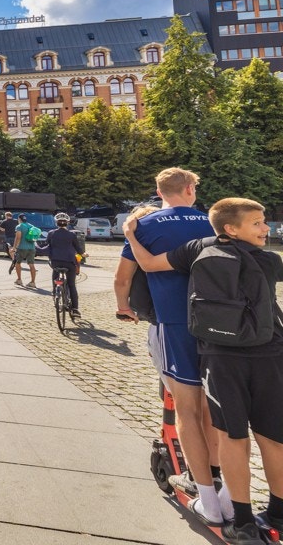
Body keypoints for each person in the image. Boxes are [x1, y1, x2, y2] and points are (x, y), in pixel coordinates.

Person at [124, 197, 283, 543]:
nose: (266, 228)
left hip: (220, 354)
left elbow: (149, 265)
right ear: (231, 227)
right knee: (273, 438)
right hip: (270, 352)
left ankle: (240, 521)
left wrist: (130, 233)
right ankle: (278, 513)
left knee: (231, 436)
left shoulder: (197, 249)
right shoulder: (271, 261)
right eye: (257, 223)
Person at [117, 167, 226, 525]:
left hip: (175, 322)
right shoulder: (213, 222)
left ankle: (200, 485)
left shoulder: (143, 226)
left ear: (159, 191)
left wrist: (124, 308)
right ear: (191, 189)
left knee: (187, 408)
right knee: (214, 407)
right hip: (221, 323)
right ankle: (219, 477)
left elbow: (123, 278)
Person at [37, 213, 85, 318]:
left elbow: (47, 245)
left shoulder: (51, 233)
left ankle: (55, 292)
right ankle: (75, 309)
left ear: (56, 223)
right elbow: (78, 247)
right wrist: (83, 254)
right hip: (69, 262)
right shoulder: (72, 235)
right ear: (67, 223)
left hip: (56, 261)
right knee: (72, 285)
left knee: (55, 275)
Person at [12, 214, 39, 288]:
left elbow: (18, 237)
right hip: (32, 248)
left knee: (17, 263)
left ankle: (19, 280)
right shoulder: (31, 225)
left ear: (19, 219)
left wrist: (14, 247)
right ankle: (33, 282)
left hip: (22, 248)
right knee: (31, 265)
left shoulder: (19, 226)